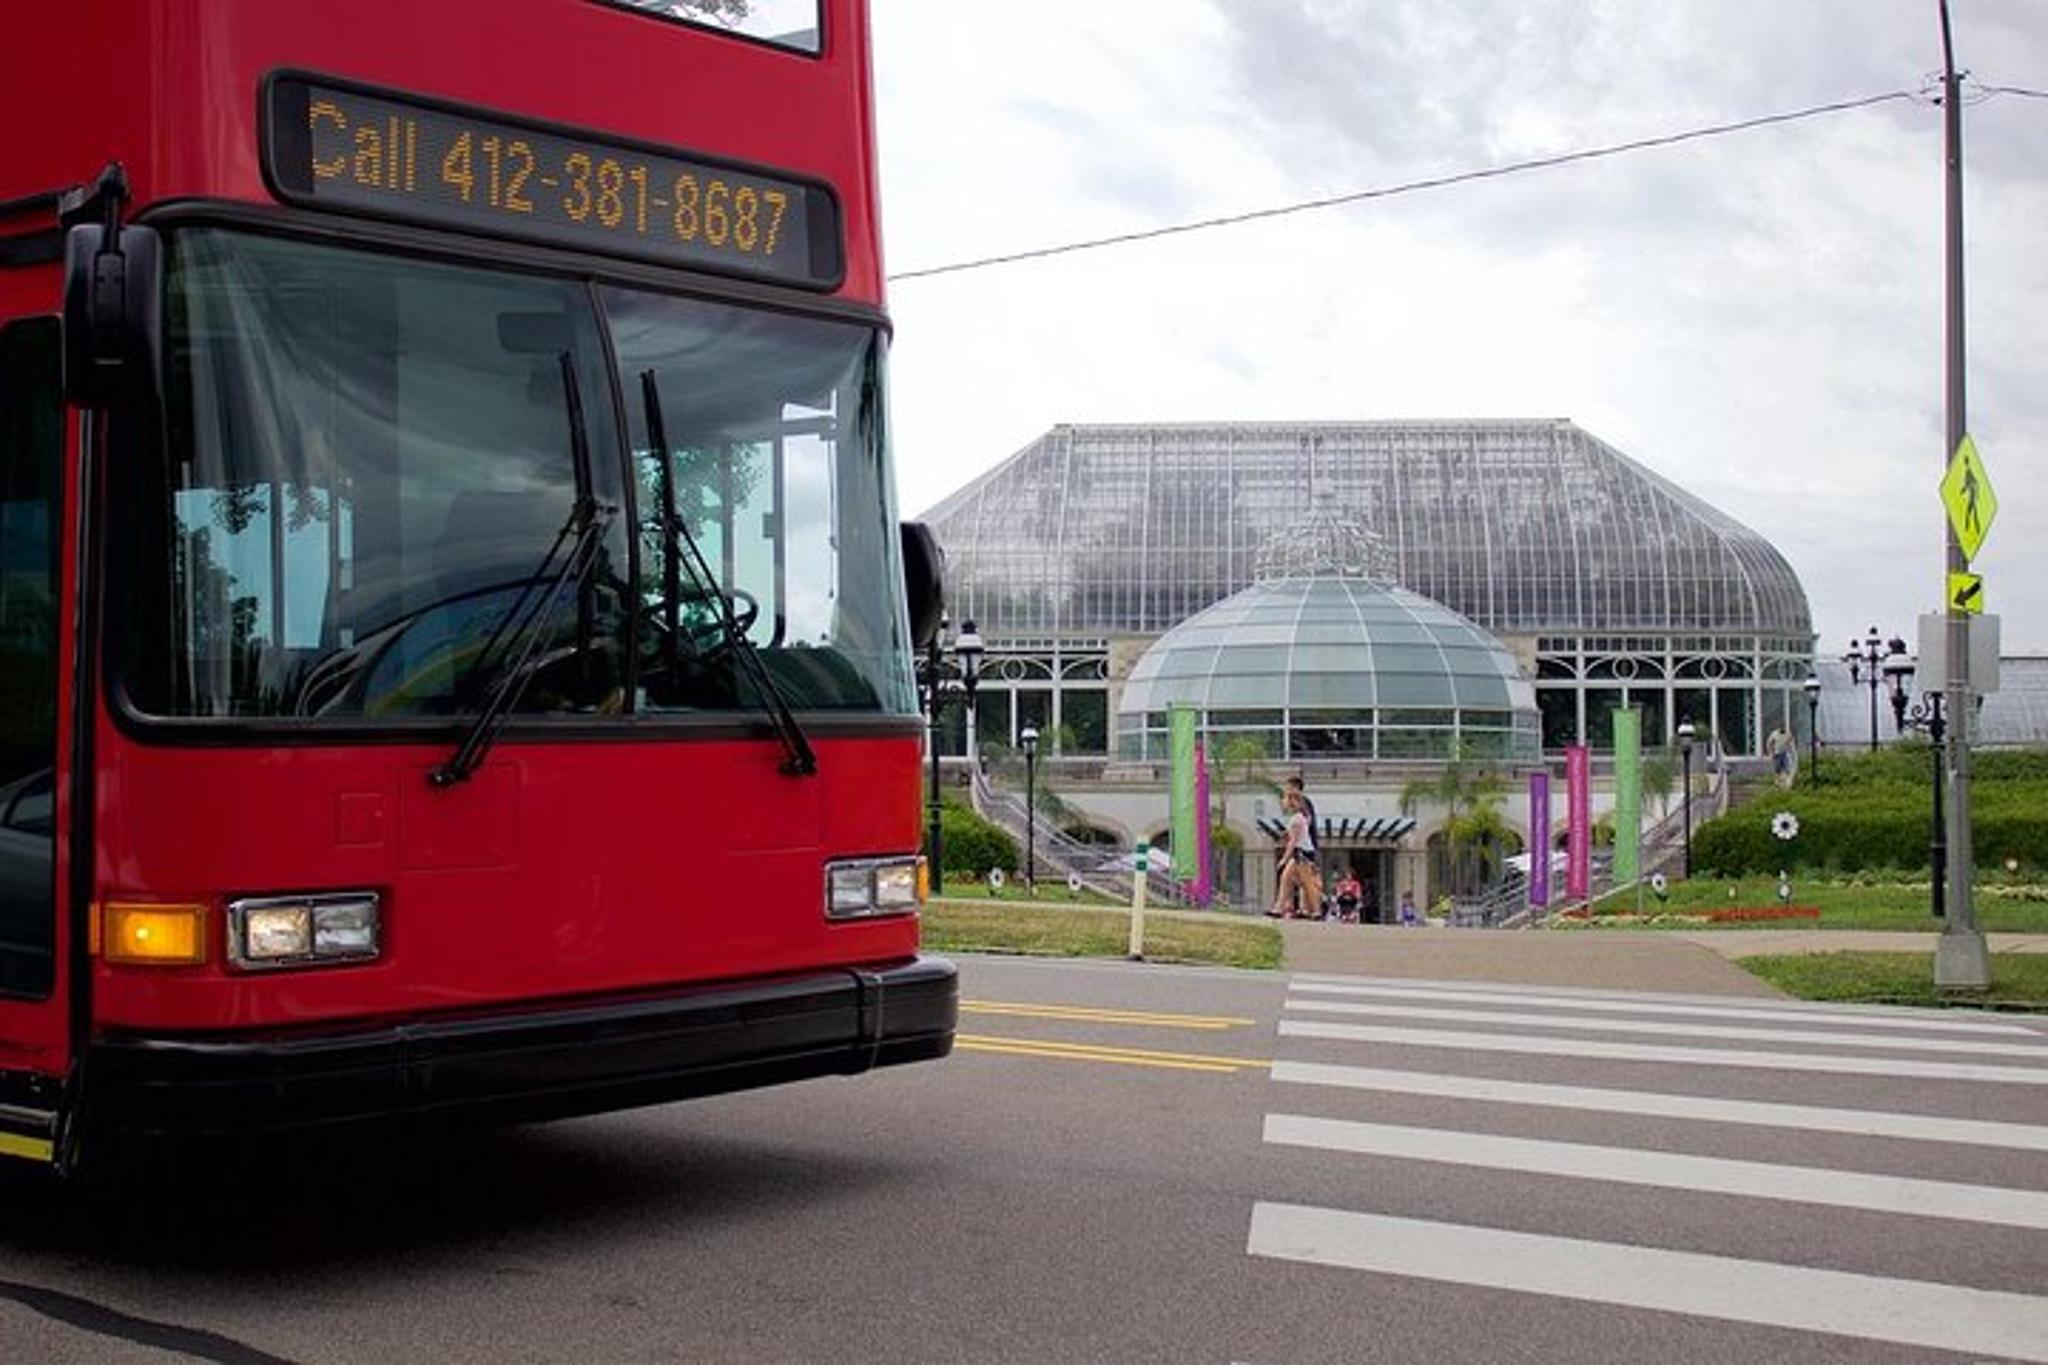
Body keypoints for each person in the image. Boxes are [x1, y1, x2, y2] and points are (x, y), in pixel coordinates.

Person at [1268, 787, 1323, 918]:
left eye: (1285, 798)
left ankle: (1316, 911)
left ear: (1292, 801)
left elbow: (1293, 842)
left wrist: (1284, 859)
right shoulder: (1298, 818)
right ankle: (1278, 908)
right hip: (1301, 853)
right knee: (1286, 879)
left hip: (1301, 854)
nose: (1282, 801)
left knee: (1307, 883)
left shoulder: (1296, 819)